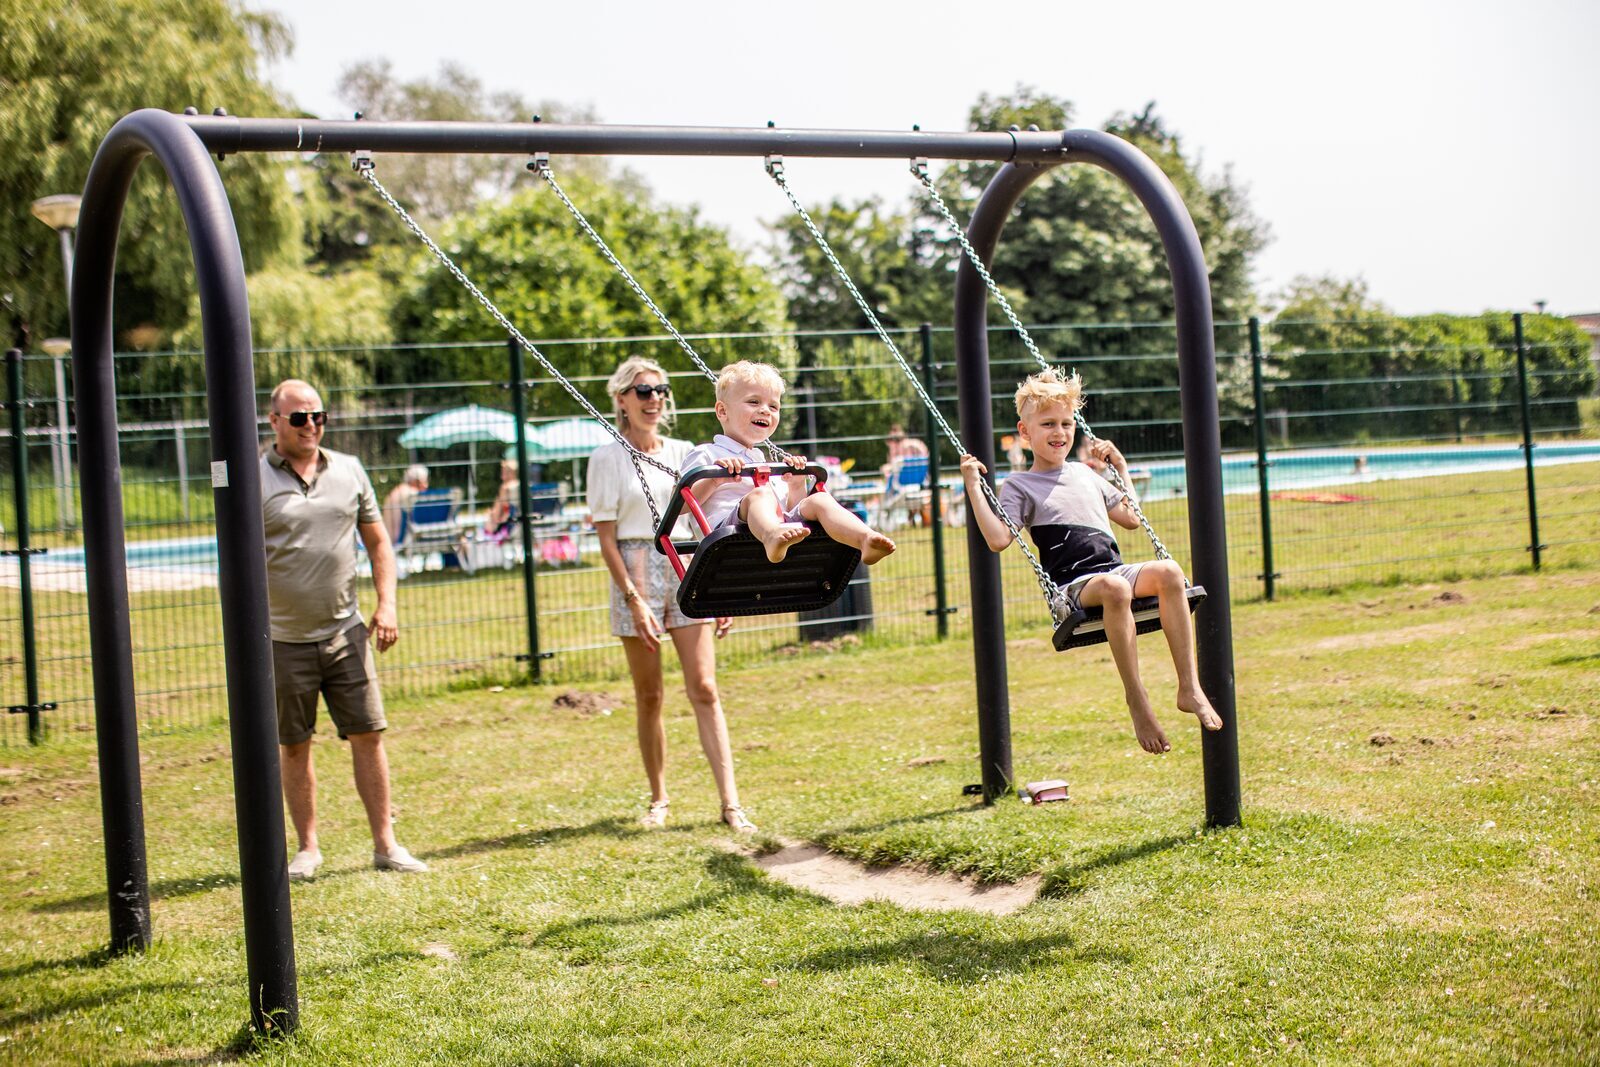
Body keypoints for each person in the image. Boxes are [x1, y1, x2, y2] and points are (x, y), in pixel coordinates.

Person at [958, 368, 1223, 755]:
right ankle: (1137, 698)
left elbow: (1132, 519)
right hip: (1073, 586)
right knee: (1114, 588)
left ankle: (1189, 685)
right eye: (1047, 423)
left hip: (1113, 569)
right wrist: (972, 486)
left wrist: (1122, 470)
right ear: (1025, 431)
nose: (1059, 432)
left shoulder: (1085, 473)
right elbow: (999, 540)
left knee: (1170, 572)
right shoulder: (1019, 485)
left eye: (1066, 423)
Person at [261, 379, 427, 879]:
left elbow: (379, 545)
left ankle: (386, 845)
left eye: (318, 416)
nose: (310, 425)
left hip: (345, 633)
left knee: (369, 734)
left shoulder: (350, 470)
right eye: (299, 418)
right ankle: (308, 849)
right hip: (282, 638)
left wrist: (387, 605)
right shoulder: (253, 476)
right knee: (294, 743)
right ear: (275, 422)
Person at [586, 357, 755, 833]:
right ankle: (659, 799)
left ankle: (731, 804)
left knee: (704, 686)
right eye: (643, 391)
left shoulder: (685, 450)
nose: (654, 399)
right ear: (622, 399)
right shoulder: (606, 458)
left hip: (685, 559)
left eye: (661, 390)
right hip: (636, 567)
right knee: (650, 694)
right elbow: (606, 537)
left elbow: (710, 515)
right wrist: (634, 597)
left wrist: (720, 587)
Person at [683, 360, 896, 566]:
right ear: (722, 411)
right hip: (726, 537)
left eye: (773, 406)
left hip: (775, 530)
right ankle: (771, 535)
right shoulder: (706, 454)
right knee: (761, 495)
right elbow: (681, 506)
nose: (765, 410)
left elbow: (792, 511)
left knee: (819, 499)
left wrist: (796, 484)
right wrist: (714, 480)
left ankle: (865, 539)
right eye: (754, 402)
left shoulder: (766, 463)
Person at [382, 463, 429, 544]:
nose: (426, 486)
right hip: (404, 542)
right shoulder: (413, 495)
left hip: (389, 540)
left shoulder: (395, 492)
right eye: (425, 481)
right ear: (416, 482)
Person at [485, 459, 520, 538]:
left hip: (508, 526)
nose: (501, 475)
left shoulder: (505, 487)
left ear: (511, 473)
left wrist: (491, 515)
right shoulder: (521, 486)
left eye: (503, 472)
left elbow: (500, 513)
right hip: (517, 522)